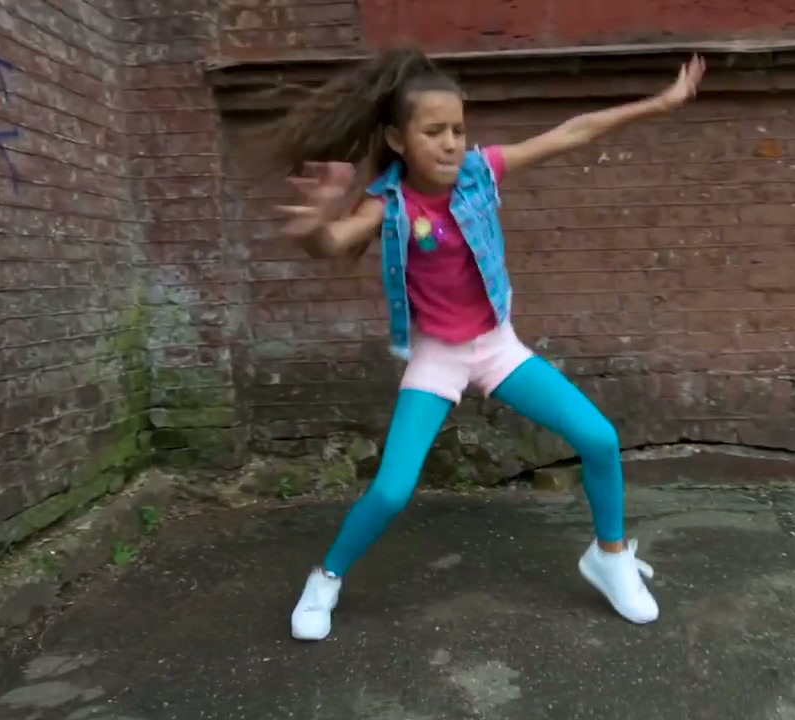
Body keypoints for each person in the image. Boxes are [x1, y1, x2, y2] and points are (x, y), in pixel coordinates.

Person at [269, 48, 706, 641]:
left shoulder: (480, 171)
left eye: (458, 129)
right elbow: (333, 241)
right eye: (433, 132)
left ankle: (609, 557)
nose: (451, 143)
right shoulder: (390, 202)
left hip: (497, 346)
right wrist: (315, 228)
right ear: (397, 139)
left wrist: (661, 103)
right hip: (437, 355)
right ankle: (325, 578)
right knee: (392, 489)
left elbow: (570, 134)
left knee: (600, 439)